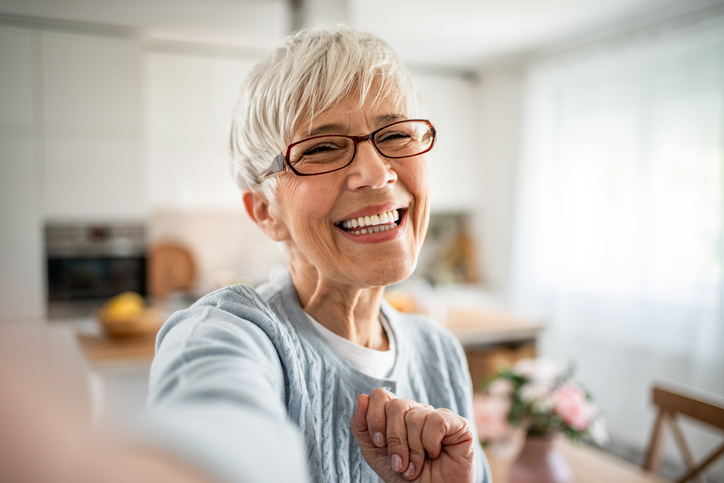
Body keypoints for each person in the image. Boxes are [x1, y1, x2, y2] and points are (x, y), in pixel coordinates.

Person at [147, 25, 492, 483]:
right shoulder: (225, 336)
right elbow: (208, 441)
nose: (375, 173)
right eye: (323, 148)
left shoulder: (439, 353)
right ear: (266, 211)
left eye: (394, 135)